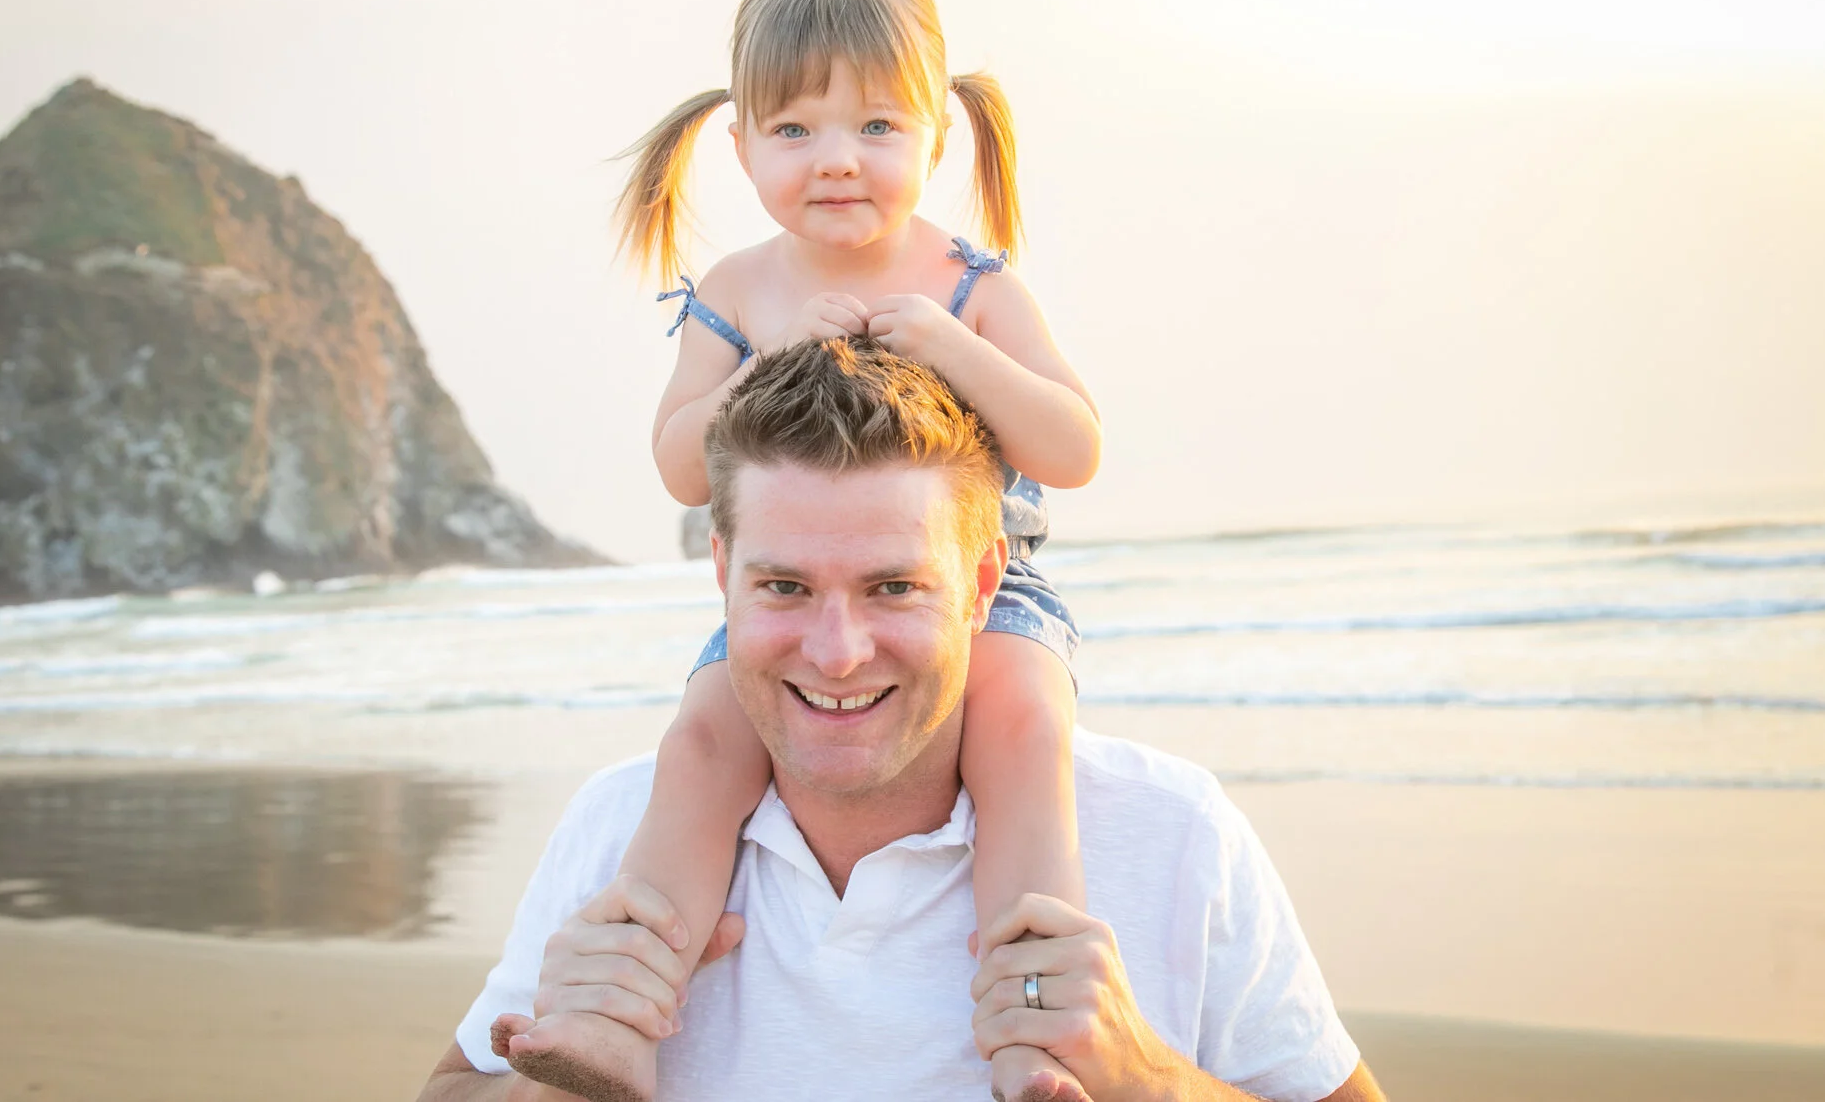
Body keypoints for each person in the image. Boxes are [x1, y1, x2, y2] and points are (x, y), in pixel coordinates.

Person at [418, 338, 1384, 1102]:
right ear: (723, 575)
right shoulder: (617, 829)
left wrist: (1145, 1078)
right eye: (785, 585)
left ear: (982, 584)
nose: (837, 651)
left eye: (893, 587)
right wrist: (548, 1093)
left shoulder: (1173, 836)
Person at [505, 0, 1103, 1102]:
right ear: (740, 147)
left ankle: (1037, 1023)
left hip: (984, 583)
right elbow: (683, 466)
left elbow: (1071, 447)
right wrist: (763, 370)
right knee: (699, 743)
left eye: (876, 123)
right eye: (794, 126)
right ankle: (621, 1010)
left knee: (1022, 725)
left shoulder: (971, 284)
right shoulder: (737, 291)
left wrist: (953, 348)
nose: (835, 156)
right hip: (789, 589)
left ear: (937, 135)